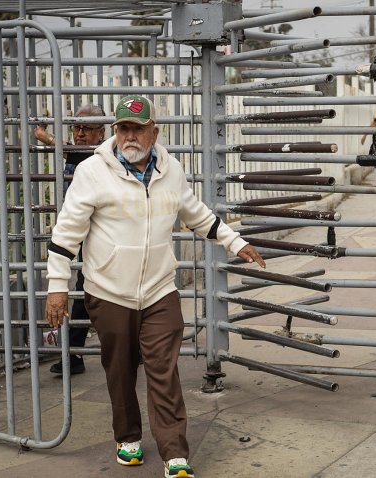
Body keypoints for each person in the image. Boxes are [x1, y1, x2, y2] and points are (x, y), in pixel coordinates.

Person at [44, 95, 265, 478]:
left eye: (138, 128)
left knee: (164, 370)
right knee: (120, 368)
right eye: (123, 128)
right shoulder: (92, 172)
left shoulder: (172, 170)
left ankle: (174, 453)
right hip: (109, 291)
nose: (130, 136)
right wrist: (57, 286)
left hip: (160, 290)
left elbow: (196, 214)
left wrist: (235, 241)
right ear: (115, 131)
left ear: (154, 132)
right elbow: (66, 234)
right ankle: (127, 437)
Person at [34, 104, 106, 375]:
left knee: (95, 289)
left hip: (102, 234)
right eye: (76, 127)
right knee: (84, 288)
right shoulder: (79, 154)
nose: (80, 133)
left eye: (87, 128)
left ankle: (130, 348)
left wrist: (48, 138)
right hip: (82, 231)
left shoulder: (100, 154)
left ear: (102, 132)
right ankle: (75, 353)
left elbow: (76, 151)